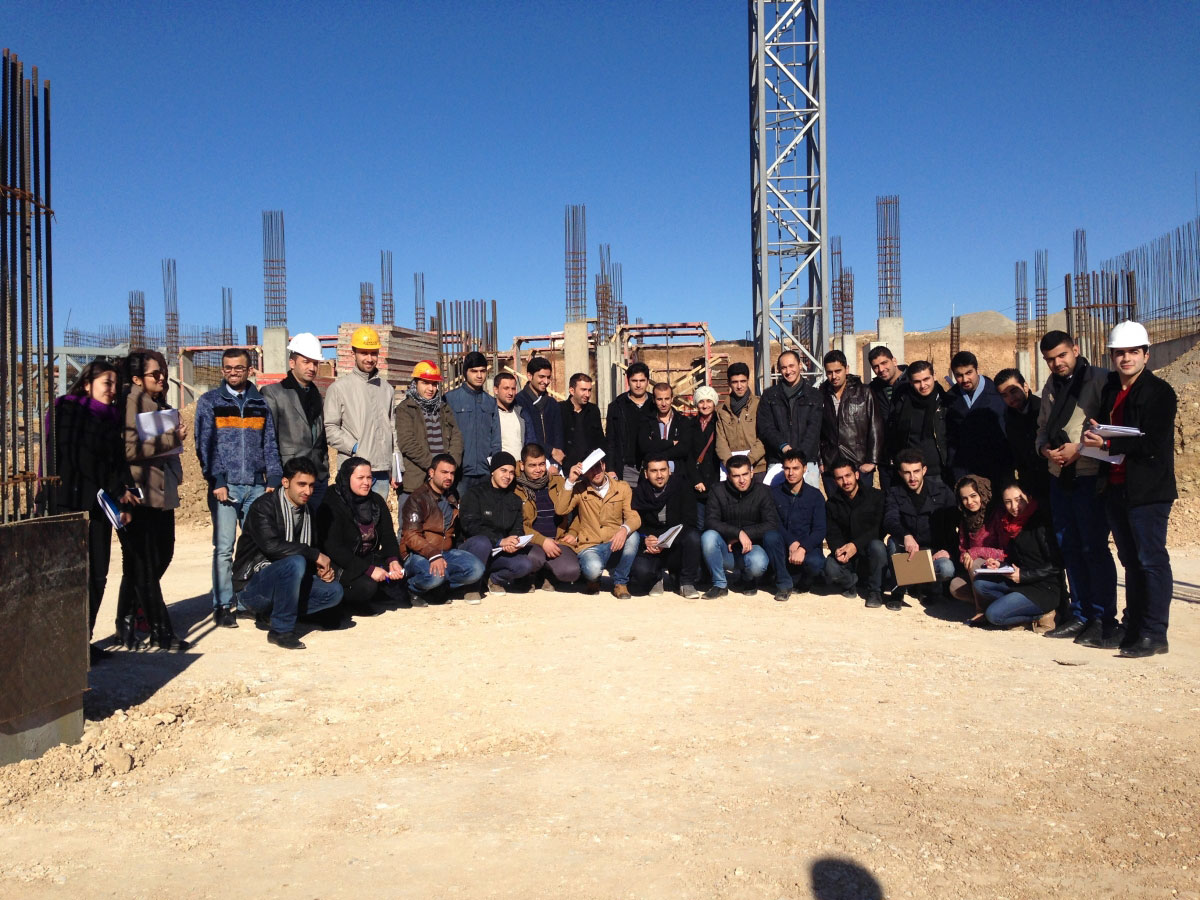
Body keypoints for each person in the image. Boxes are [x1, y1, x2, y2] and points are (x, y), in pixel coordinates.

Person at [1082, 321, 1177, 657]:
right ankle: (1133, 627)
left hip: (1148, 492)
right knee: (1132, 562)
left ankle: (1154, 633)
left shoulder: (1160, 392)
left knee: (1151, 561)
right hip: (1116, 487)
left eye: (1133, 352)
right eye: (1120, 353)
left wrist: (1108, 443)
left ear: (1146, 355)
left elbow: (1152, 443)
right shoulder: (1111, 391)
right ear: (1111, 356)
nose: (1126, 358)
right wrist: (1096, 435)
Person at [46, 358, 136, 662]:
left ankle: (82, 640)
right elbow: (81, 458)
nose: (112, 390)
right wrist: (116, 488)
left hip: (98, 508)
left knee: (97, 574)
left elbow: (116, 462)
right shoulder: (68, 412)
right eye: (106, 383)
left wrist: (124, 492)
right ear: (87, 384)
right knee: (68, 575)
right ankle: (61, 644)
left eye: (116, 385)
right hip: (67, 504)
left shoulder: (111, 418)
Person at [1034, 330, 1118, 645]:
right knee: (1069, 546)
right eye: (1050, 359)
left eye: (1062, 355)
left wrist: (1079, 449)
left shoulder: (1100, 380)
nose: (1057, 363)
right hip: (1059, 476)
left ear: (1076, 350)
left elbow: (1110, 429)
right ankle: (1080, 614)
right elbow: (1043, 428)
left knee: (1093, 547)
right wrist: (1045, 450)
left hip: (1089, 475)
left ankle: (1102, 618)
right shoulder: (1051, 386)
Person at [195, 347, 283, 628]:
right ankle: (222, 604)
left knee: (256, 547)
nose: (233, 373)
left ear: (249, 370)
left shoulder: (260, 403)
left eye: (239, 368)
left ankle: (249, 602)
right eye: (228, 368)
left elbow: (270, 443)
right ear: (223, 370)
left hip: (256, 486)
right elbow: (205, 445)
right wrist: (217, 480)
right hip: (226, 487)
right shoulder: (210, 402)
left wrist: (274, 479)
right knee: (224, 549)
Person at [232, 457, 344, 649]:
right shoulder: (263, 507)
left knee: (333, 592)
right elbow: (272, 547)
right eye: (301, 484)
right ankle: (280, 631)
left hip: (289, 580)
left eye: (311, 485)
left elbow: (310, 551)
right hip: (253, 584)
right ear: (285, 482)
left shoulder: (308, 511)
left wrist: (321, 570)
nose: (308, 491)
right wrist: (314, 555)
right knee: (296, 561)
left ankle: (274, 614)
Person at [117, 350, 189, 651]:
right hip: (140, 494)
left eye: (163, 372)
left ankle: (126, 619)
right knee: (144, 564)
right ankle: (160, 630)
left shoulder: (159, 403)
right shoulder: (131, 403)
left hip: (161, 492)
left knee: (157, 557)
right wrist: (172, 438)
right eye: (154, 374)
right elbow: (129, 449)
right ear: (137, 379)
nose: (162, 378)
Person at [315, 456, 406, 617]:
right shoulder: (331, 502)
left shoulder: (376, 501)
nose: (366, 482)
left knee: (400, 575)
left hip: (366, 557)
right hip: (341, 564)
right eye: (360, 478)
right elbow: (334, 548)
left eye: (369, 477)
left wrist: (392, 560)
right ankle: (349, 602)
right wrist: (368, 570)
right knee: (367, 586)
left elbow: (388, 536)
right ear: (347, 478)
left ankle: (374, 593)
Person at [973, 483, 1066, 630]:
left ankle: (1040, 615)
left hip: (1044, 588)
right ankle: (1018, 608)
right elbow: (1016, 559)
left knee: (994, 615)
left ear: (1028, 498)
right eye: (1008, 502)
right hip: (1021, 583)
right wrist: (1000, 565)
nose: (1014, 506)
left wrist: (1023, 575)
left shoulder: (1039, 524)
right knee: (980, 583)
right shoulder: (1010, 524)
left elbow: (1057, 564)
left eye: (1018, 500)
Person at [399, 454, 489, 604]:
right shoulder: (417, 498)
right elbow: (411, 536)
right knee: (435, 576)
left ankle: (438, 588)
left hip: (445, 552)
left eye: (452, 473)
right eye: (444, 472)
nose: (449, 477)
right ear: (431, 472)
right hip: (419, 554)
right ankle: (412, 588)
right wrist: (433, 555)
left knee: (477, 569)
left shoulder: (452, 496)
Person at [324, 325, 399, 500]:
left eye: (373, 353)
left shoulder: (387, 389)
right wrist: (355, 447)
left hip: (380, 472)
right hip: (353, 470)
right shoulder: (339, 388)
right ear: (353, 354)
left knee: (377, 516)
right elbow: (330, 428)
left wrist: (396, 467)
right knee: (351, 516)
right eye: (364, 353)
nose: (369, 358)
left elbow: (393, 431)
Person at [701, 455, 789, 601]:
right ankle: (720, 584)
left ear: (752, 472)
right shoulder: (718, 490)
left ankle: (748, 579)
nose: (742, 480)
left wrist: (744, 534)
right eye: (736, 476)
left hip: (752, 547)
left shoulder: (763, 491)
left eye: (745, 474)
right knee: (708, 537)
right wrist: (737, 533)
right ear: (728, 476)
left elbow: (771, 523)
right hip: (727, 548)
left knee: (758, 564)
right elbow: (710, 521)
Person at [460, 451, 546, 595]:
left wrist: (513, 542)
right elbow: (470, 525)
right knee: (482, 542)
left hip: (498, 552)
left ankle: (493, 579)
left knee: (525, 565)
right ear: (493, 471)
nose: (508, 476)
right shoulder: (474, 494)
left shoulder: (514, 500)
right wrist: (499, 541)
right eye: (503, 470)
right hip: (475, 550)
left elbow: (517, 528)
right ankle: (472, 586)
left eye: (511, 472)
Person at [262, 333, 330, 509]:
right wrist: (274, 475)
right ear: (292, 363)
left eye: (315, 363)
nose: (312, 367)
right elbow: (269, 439)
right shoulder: (273, 393)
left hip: (317, 478)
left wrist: (324, 467)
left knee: (315, 525)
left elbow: (320, 438)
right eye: (306, 362)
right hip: (290, 477)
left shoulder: (317, 396)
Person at [561, 451, 642, 599]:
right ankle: (594, 579)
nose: (595, 472)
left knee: (633, 536)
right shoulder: (579, 488)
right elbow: (561, 510)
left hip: (614, 543)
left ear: (603, 466)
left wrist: (624, 530)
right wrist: (570, 480)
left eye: (597, 467)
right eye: (590, 469)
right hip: (589, 545)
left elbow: (634, 517)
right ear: (585, 472)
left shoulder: (622, 487)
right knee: (593, 569)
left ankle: (620, 583)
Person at [882, 448, 957, 606]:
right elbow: (890, 520)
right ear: (900, 473)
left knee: (946, 569)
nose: (912, 477)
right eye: (907, 472)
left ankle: (925, 587)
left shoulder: (942, 491)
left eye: (916, 471)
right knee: (893, 542)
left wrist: (948, 550)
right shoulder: (894, 493)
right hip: (908, 551)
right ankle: (898, 592)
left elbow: (954, 524)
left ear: (924, 470)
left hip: (933, 551)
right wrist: (906, 535)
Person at [629, 455, 702, 599]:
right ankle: (656, 578)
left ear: (669, 471)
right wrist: (645, 539)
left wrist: (667, 540)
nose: (659, 475)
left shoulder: (682, 487)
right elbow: (637, 524)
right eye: (654, 471)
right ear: (646, 474)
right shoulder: (639, 493)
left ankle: (686, 582)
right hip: (652, 545)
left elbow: (690, 521)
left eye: (663, 470)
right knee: (641, 573)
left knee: (693, 537)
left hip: (676, 541)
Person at [395, 360, 464, 508]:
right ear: (415, 383)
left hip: (443, 485)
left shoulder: (443, 408)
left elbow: (456, 437)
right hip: (416, 482)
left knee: (443, 521)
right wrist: (435, 467)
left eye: (434, 384)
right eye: (425, 383)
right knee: (411, 522)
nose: (430, 388)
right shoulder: (405, 409)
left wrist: (450, 466)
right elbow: (407, 443)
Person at [513, 442, 580, 589]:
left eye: (541, 464)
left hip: (557, 541)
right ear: (522, 465)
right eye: (532, 465)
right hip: (531, 542)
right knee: (534, 558)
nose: (538, 469)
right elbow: (517, 525)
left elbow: (579, 510)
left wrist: (573, 532)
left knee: (571, 572)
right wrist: (542, 541)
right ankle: (530, 575)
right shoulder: (515, 488)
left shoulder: (558, 482)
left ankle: (547, 572)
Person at [823, 458, 888, 608]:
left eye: (848, 475)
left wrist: (855, 545)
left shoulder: (876, 496)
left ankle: (875, 592)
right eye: (840, 478)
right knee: (830, 568)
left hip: (870, 553)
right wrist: (838, 549)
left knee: (878, 546)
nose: (845, 481)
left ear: (856, 475)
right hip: (847, 557)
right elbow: (832, 533)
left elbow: (878, 529)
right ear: (835, 481)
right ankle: (851, 582)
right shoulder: (832, 504)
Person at [946, 475, 1011, 625]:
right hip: (977, 573)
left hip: (999, 568)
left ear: (983, 493)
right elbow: (963, 549)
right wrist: (966, 555)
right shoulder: (966, 518)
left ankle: (981, 611)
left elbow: (1006, 551)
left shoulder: (997, 515)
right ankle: (993, 606)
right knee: (956, 586)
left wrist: (976, 552)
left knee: (975, 563)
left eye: (973, 496)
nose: (969, 502)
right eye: (964, 498)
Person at [818, 350, 883, 494]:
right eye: (829, 372)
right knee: (836, 505)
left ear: (846, 369)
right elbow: (816, 430)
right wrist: (821, 462)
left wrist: (872, 461)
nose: (834, 376)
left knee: (862, 505)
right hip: (831, 465)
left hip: (859, 463)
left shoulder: (864, 392)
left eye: (838, 371)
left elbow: (875, 426)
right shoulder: (820, 395)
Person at [946, 350, 1011, 485]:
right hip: (964, 471)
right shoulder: (950, 399)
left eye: (969, 373)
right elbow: (951, 438)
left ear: (977, 369)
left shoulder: (997, 393)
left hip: (996, 469)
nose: (965, 379)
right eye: (959, 375)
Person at [757, 349, 821, 487]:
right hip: (778, 461)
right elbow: (765, 427)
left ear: (800, 365)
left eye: (791, 366)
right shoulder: (769, 396)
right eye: (784, 367)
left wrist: (800, 456)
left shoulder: (814, 395)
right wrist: (784, 447)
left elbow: (814, 429)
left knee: (808, 499)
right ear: (779, 369)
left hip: (807, 462)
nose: (788, 371)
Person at [769, 449, 827, 596]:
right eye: (787, 468)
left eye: (796, 468)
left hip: (807, 547)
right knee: (770, 537)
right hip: (783, 545)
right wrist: (791, 542)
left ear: (805, 468)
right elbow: (774, 522)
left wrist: (802, 548)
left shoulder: (815, 496)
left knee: (816, 563)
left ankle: (804, 582)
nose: (791, 473)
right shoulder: (774, 494)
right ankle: (783, 583)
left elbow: (820, 529)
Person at [884, 360, 950, 487]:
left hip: (938, 472)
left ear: (934, 376)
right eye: (917, 381)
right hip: (909, 472)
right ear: (910, 382)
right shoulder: (902, 401)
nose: (923, 385)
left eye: (926, 379)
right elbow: (894, 433)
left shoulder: (945, 402)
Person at [445, 351, 501, 498]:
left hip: (485, 472)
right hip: (460, 473)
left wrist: (495, 466)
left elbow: (496, 438)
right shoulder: (450, 399)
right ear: (465, 372)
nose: (479, 375)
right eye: (474, 371)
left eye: (482, 371)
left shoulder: (490, 402)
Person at [994, 368, 1050, 502]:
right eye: (1004, 395)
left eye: (1013, 391)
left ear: (1025, 386)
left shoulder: (1044, 409)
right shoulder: (1008, 419)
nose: (1011, 398)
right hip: (1030, 489)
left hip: (1053, 482)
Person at [606, 361, 656, 485]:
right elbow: (610, 440)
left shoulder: (656, 404)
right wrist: (610, 468)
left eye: (642, 381)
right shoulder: (617, 406)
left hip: (653, 466)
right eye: (634, 381)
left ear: (647, 382)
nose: (638, 385)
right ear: (628, 381)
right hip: (627, 468)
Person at [715, 361, 766, 478]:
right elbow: (720, 442)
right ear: (729, 383)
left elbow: (764, 437)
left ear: (748, 381)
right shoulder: (721, 410)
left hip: (757, 469)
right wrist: (730, 464)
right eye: (735, 382)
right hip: (731, 470)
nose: (739, 386)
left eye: (743, 381)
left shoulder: (759, 405)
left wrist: (749, 460)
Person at [868, 346, 907, 492]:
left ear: (894, 361)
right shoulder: (873, 389)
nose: (881, 369)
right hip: (886, 462)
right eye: (876, 367)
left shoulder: (913, 382)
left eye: (884, 363)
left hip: (911, 461)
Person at [515, 357, 564, 473]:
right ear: (529, 376)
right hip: (529, 463)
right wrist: (550, 450)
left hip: (553, 465)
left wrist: (555, 463)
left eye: (548, 377)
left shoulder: (552, 403)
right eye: (541, 377)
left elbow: (558, 435)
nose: (545, 381)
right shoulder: (518, 402)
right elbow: (526, 435)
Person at [637, 382, 694, 477]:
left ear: (672, 399)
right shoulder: (646, 422)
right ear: (654, 400)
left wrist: (656, 448)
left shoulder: (683, 421)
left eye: (667, 399)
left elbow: (683, 449)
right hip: (653, 476)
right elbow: (645, 447)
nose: (663, 404)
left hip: (677, 475)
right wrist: (671, 443)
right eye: (659, 399)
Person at [689, 385, 721, 528]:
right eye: (701, 401)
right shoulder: (690, 425)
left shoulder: (720, 423)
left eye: (709, 401)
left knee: (717, 522)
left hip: (716, 480)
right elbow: (688, 455)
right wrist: (696, 479)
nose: (705, 405)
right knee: (700, 524)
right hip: (698, 482)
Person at [559, 372, 604, 471]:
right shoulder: (560, 409)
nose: (587, 394)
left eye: (589, 390)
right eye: (583, 390)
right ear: (572, 390)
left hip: (590, 469)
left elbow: (600, 440)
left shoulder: (593, 410)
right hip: (565, 468)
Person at [494, 371, 531, 459]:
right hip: (501, 465)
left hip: (520, 464)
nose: (510, 393)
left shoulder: (521, 413)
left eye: (513, 389)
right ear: (496, 390)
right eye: (506, 388)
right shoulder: (490, 415)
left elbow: (529, 440)